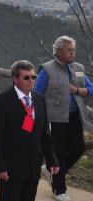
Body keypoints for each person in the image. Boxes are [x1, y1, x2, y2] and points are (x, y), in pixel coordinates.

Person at [0, 60, 59, 201]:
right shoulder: (0, 102)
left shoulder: (40, 100)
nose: (31, 80)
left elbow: (45, 135)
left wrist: (52, 160)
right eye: (26, 77)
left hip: (33, 168)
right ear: (15, 79)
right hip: (11, 169)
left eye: (33, 77)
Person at [35, 36, 93, 201]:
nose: (73, 53)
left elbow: (91, 88)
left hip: (75, 117)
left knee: (78, 148)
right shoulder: (47, 70)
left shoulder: (79, 68)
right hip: (54, 119)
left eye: (74, 50)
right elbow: (37, 94)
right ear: (59, 51)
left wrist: (78, 90)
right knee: (58, 153)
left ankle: (50, 169)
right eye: (69, 50)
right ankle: (59, 190)